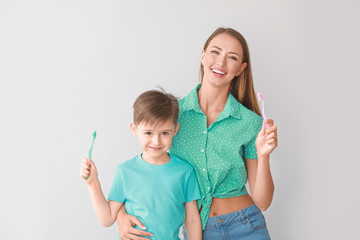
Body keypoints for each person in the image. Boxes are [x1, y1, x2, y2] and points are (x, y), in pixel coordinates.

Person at [116, 27, 278, 240]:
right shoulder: (173, 116)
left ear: (241, 68)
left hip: (246, 226)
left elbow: (263, 202)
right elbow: (144, 172)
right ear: (202, 56)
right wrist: (120, 215)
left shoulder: (250, 122)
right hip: (199, 231)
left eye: (232, 57)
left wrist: (264, 155)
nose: (221, 62)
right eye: (215, 52)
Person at [80, 90, 202, 240]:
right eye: (148, 133)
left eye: (164, 133)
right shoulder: (125, 172)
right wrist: (93, 183)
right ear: (134, 129)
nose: (156, 141)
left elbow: (192, 220)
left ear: (175, 130)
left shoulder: (185, 172)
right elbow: (107, 219)